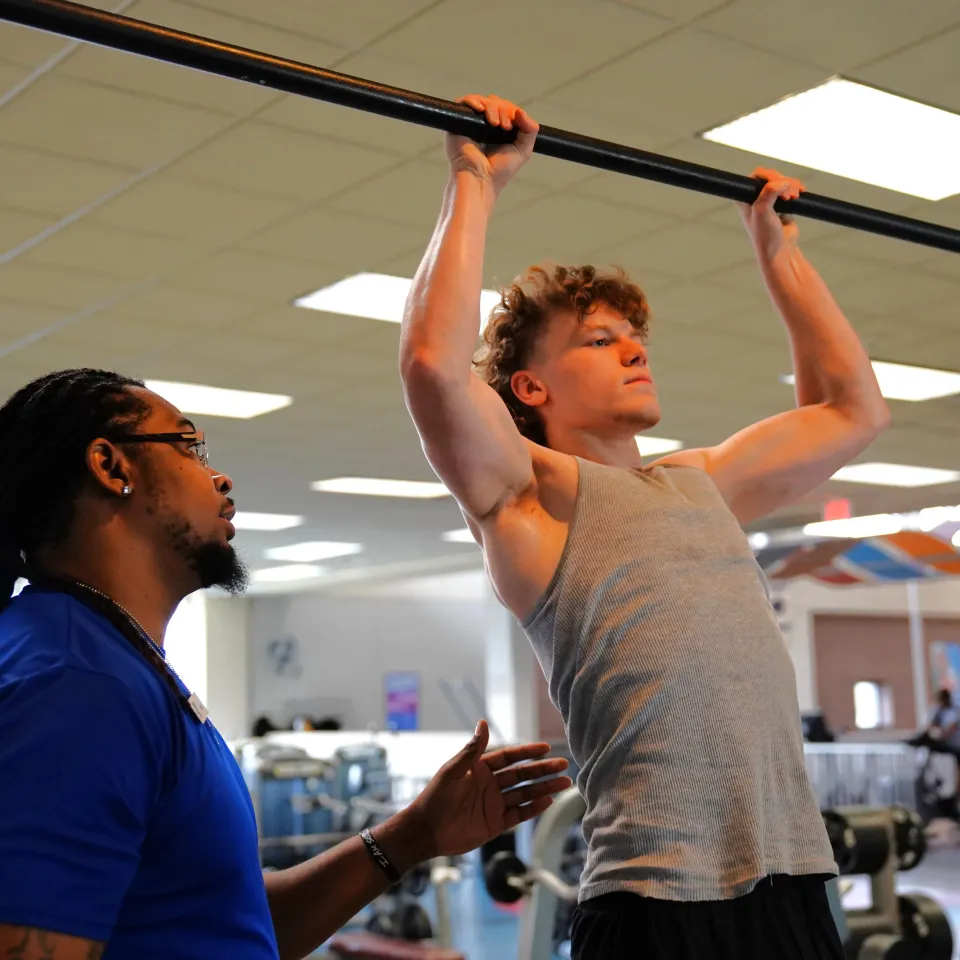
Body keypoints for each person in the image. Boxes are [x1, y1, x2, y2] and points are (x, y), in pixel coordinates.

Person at [399, 94, 890, 959]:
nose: (635, 349)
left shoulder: (700, 480)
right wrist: (474, 178)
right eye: (599, 340)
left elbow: (852, 409)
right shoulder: (530, 498)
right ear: (530, 389)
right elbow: (435, 366)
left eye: (635, 335)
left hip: (798, 880)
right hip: (658, 901)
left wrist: (778, 254)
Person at [0, 369, 572, 960]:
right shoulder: (74, 686)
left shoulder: (116, 664)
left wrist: (414, 834)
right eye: (189, 445)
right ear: (112, 467)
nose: (218, 475)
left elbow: (232, 919)